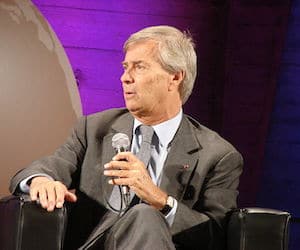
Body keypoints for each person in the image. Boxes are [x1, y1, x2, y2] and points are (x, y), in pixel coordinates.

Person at [10, 25, 243, 250]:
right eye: (125, 67)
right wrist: (40, 181)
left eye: (139, 67)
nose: (125, 78)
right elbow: (53, 165)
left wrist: (161, 201)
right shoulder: (94, 129)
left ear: (175, 77)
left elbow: (216, 236)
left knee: (145, 215)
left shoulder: (218, 155)